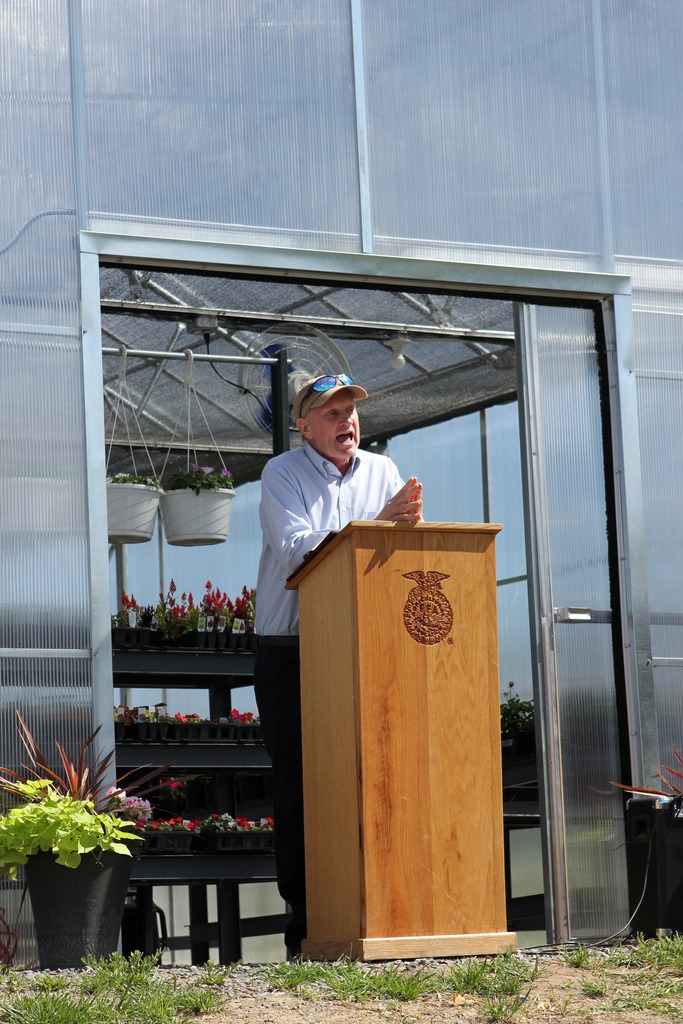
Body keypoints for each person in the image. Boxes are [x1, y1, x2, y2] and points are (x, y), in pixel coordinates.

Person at [253, 373, 423, 957]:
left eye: (351, 410)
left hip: (369, 643)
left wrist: (409, 528)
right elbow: (298, 549)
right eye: (331, 413)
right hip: (292, 653)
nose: (346, 420)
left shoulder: (384, 472)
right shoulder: (282, 474)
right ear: (303, 426)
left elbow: (399, 550)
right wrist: (376, 526)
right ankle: (306, 921)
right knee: (302, 781)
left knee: (373, 772)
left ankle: (380, 910)